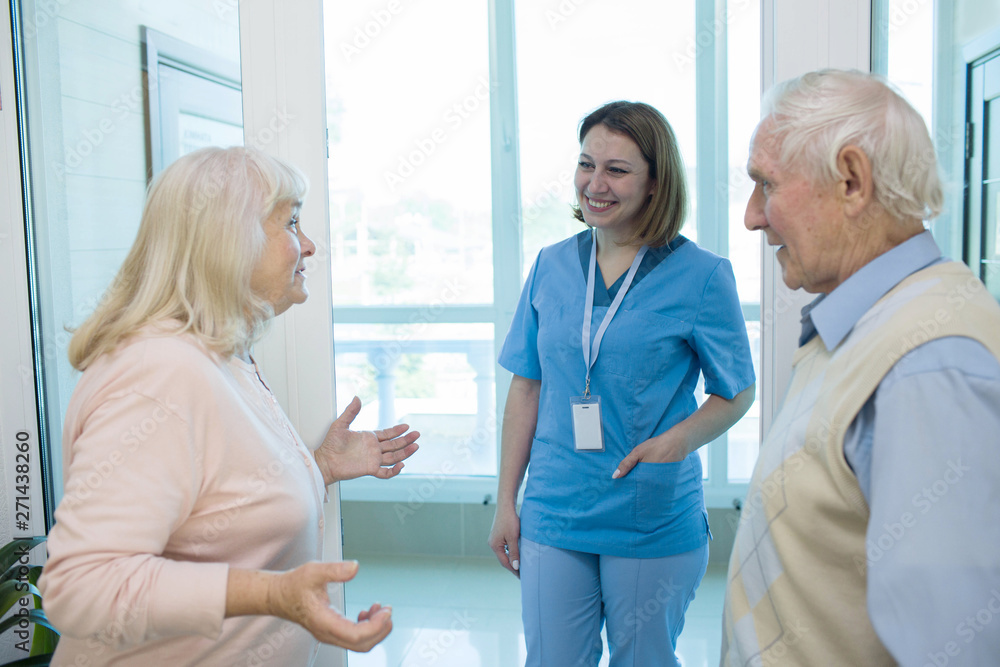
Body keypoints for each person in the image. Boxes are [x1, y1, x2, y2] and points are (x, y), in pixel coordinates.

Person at [38, 146, 419, 665]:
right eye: (291, 222)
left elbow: (220, 508)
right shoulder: (159, 373)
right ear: (230, 240)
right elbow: (82, 587)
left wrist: (319, 467)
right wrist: (272, 595)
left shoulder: (219, 356)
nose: (309, 245)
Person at [723, 69, 1000, 666]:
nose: (752, 216)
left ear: (851, 180)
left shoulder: (928, 366)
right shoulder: (869, 324)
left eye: (766, 184)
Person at [489, 101, 756, 667]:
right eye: (586, 164)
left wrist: (677, 442)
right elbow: (526, 388)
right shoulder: (550, 265)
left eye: (617, 170)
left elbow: (736, 391)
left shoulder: (703, 276)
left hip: (648, 510)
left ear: (656, 182)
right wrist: (506, 500)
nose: (595, 184)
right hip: (556, 508)